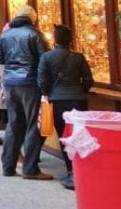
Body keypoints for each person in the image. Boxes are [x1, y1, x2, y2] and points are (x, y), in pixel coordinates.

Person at [0, 4, 51, 180]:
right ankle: (30, 168)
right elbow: (45, 59)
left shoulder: (6, 35)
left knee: (14, 123)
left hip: (10, 82)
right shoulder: (35, 34)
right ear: (31, 18)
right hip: (30, 82)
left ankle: (8, 166)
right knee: (33, 124)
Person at [38, 24, 94, 189]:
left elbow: (42, 80)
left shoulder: (47, 57)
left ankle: (71, 170)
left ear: (55, 39)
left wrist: (47, 93)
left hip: (58, 100)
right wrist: (79, 90)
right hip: (78, 100)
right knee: (80, 135)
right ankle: (81, 168)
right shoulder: (79, 57)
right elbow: (89, 80)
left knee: (64, 135)